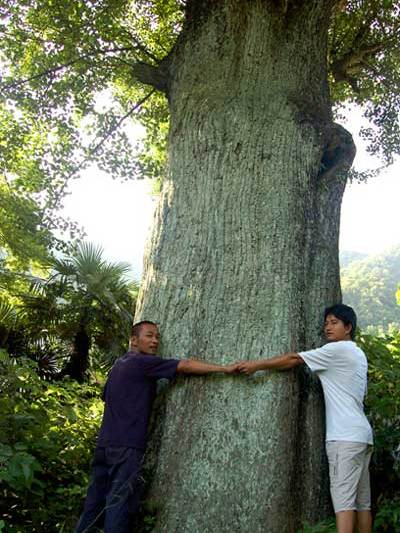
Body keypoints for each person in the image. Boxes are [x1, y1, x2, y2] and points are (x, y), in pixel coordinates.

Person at [75, 320, 236, 533]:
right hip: (127, 447)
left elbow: (107, 397)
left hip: (104, 445)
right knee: (118, 505)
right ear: (134, 340)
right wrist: (224, 368)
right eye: (149, 336)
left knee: (93, 506)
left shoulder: (117, 366)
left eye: (157, 337)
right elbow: (185, 366)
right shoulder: (143, 363)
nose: (155, 341)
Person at [235, 304, 373, 533]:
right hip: (362, 437)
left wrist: (257, 365)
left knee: (344, 504)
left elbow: (293, 359)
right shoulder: (358, 353)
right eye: (326, 323)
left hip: (344, 439)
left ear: (348, 327)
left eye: (334, 323)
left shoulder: (336, 351)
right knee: (363, 504)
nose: (327, 327)